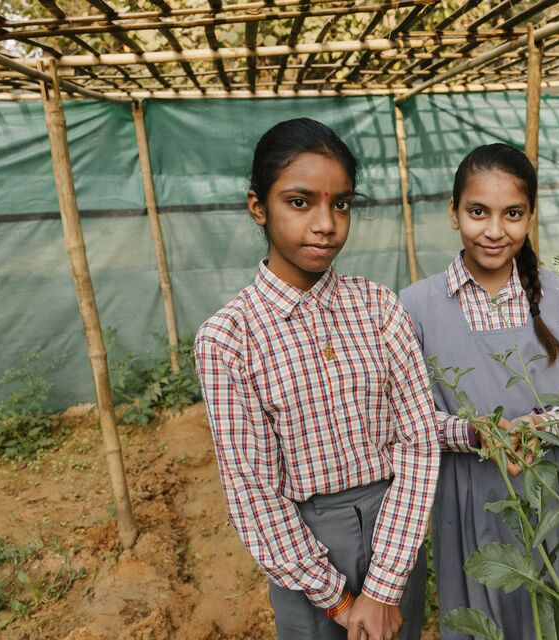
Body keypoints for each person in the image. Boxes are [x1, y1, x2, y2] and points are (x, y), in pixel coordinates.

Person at [194, 118, 439, 640]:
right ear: (258, 207)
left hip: (397, 525)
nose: (326, 223)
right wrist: (344, 600)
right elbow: (254, 493)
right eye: (300, 202)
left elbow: (418, 442)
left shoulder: (378, 307)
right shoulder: (228, 338)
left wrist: (385, 585)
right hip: (303, 550)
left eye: (342, 203)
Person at [399, 143, 559, 640]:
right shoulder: (413, 306)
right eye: (478, 212)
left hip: (551, 492)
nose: (494, 231)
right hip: (466, 496)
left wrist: (538, 426)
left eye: (512, 213)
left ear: (531, 216)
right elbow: (406, 420)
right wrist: (477, 433)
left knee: (547, 614)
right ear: (453, 213)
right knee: (478, 620)